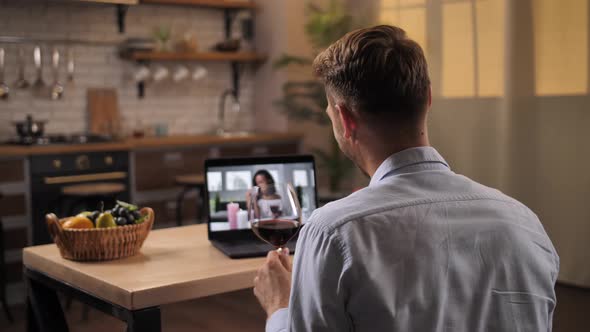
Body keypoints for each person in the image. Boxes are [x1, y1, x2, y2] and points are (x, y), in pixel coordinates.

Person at [253, 25, 559, 331]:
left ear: (345, 119)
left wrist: (280, 306)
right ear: (427, 98)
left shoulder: (332, 233)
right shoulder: (525, 223)